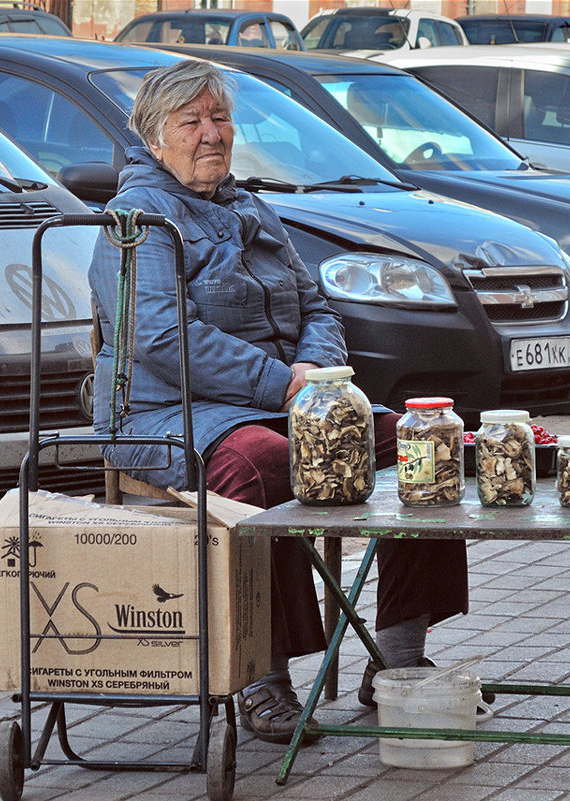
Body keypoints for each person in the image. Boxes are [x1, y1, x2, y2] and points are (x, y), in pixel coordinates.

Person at [87, 59, 469, 745]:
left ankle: (397, 661)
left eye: (219, 117)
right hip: (168, 415)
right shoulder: (136, 219)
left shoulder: (248, 206)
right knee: (268, 465)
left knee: (423, 443)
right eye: (191, 121)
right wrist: (281, 384)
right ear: (154, 140)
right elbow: (160, 337)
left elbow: (316, 303)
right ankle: (265, 679)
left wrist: (314, 373)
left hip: (286, 400)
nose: (211, 133)